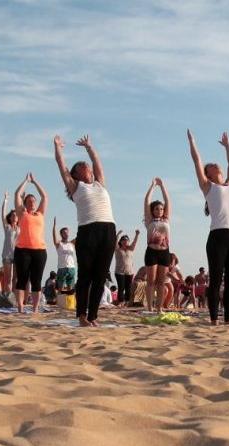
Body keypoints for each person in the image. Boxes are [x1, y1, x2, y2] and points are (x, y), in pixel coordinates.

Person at [53, 134, 116, 327]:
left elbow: (98, 164)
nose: (88, 168)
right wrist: (58, 148)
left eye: (87, 167)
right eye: (83, 167)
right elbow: (62, 168)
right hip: (88, 231)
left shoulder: (99, 183)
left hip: (108, 229)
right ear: (77, 174)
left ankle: (93, 316)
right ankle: (81, 316)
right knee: (85, 276)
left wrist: (89, 147)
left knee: (100, 276)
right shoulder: (76, 187)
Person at [188, 129, 229, 325]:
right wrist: (193, 143)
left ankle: (228, 320)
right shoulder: (208, 187)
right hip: (218, 237)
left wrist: (228, 145)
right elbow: (196, 162)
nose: (215, 165)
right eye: (210, 166)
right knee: (216, 280)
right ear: (208, 174)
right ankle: (213, 319)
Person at [11, 173, 49, 314]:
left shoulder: (40, 213)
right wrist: (26, 181)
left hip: (39, 251)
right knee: (22, 280)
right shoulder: (22, 213)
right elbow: (17, 194)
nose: (32, 202)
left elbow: (45, 196)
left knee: (36, 281)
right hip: (22, 250)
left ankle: (34, 308)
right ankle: (20, 307)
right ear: (25, 203)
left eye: (34, 200)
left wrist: (35, 182)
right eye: (29, 200)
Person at [141, 177, 173, 312]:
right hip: (152, 252)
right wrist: (153, 186)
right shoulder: (149, 220)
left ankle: (159, 307)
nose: (159, 210)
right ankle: (150, 307)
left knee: (161, 282)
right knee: (151, 281)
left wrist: (163, 186)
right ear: (153, 210)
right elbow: (146, 201)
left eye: (161, 209)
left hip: (164, 252)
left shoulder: (166, 219)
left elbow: (168, 202)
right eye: (156, 209)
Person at [0, 191, 19, 296]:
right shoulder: (7, 227)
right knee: (8, 278)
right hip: (7, 255)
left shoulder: (20, 228)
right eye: (13, 215)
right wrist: (6, 200)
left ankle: (14, 298)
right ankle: (7, 296)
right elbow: (3, 214)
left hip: (17, 255)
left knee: (16, 278)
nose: (14, 217)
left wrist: (22, 199)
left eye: (16, 215)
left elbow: (23, 212)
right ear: (10, 217)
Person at [114, 228, 139, 306]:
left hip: (129, 271)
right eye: (123, 240)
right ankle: (121, 301)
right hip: (119, 271)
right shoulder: (118, 249)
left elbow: (134, 243)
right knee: (121, 287)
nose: (125, 241)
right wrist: (118, 235)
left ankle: (127, 301)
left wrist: (136, 235)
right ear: (120, 242)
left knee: (128, 288)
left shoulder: (130, 249)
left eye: (127, 240)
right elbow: (115, 243)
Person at [51, 224, 77, 294]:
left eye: (67, 232)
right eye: (65, 233)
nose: (67, 234)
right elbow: (54, 237)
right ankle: (59, 301)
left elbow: (79, 236)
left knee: (70, 288)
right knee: (60, 287)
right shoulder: (59, 244)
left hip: (71, 268)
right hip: (62, 268)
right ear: (61, 234)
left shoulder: (71, 243)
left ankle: (69, 302)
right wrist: (54, 227)